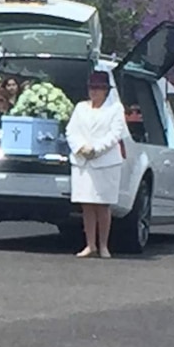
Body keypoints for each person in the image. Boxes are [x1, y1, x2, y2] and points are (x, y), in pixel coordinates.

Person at [65, 71, 127, 259]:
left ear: (106, 91)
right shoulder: (80, 107)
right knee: (87, 205)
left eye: (99, 88)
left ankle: (104, 245)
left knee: (102, 205)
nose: (94, 92)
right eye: (92, 88)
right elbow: (71, 131)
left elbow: (116, 133)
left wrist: (96, 149)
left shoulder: (115, 108)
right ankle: (90, 244)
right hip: (83, 161)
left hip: (105, 162)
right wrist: (80, 147)